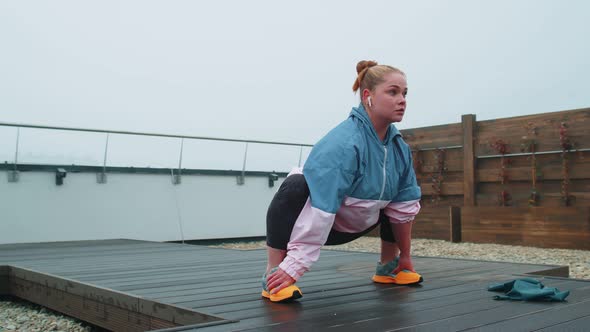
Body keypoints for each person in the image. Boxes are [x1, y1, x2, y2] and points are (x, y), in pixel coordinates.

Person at [261, 60, 423, 302]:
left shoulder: (399, 148)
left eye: (404, 93)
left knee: (400, 198)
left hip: (359, 223)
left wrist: (407, 257)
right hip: (326, 224)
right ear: (368, 96)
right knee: (295, 185)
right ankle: (273, 275)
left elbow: (404, 207)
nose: (402, 100)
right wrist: (294, 267)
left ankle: (389, 266)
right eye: (393, 92)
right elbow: (321, 211)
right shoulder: (343, 143)